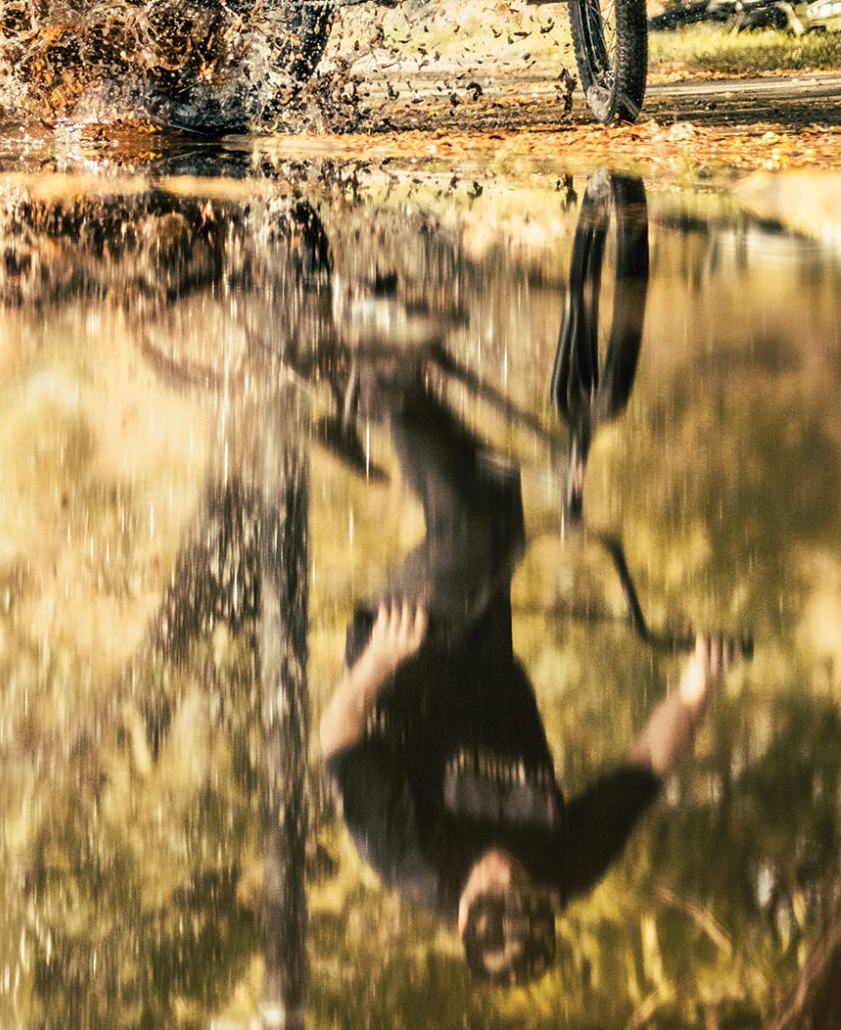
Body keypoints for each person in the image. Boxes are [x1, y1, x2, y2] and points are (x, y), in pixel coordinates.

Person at [317, 384, 741, 987]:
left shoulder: (408, 857)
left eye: (495, 888)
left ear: (464, 918)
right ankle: (369, 385)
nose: (507, 869)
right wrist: (696, 688)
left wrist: (379, 659)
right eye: (524, 887)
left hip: (406, 653)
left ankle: (383, 374)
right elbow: (646, 764)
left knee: (473, 533)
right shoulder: (566, 868)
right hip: (489, 662)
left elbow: (338, 737)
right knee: (508, 503)